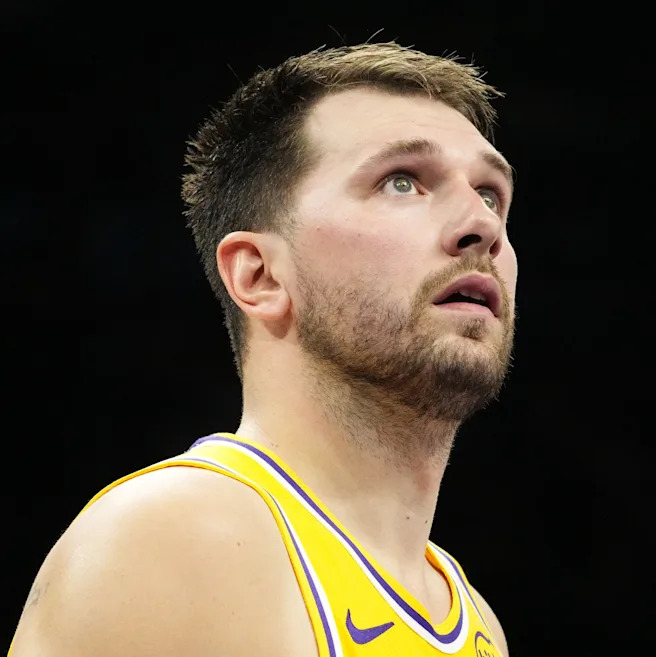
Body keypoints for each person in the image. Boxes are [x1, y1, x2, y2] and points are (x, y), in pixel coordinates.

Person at [9, 42, 516, 657]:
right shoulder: (172, 542)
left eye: (491, 194)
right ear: (260, 276)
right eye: (401, 182)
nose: (482, 225)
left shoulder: (475, 621)